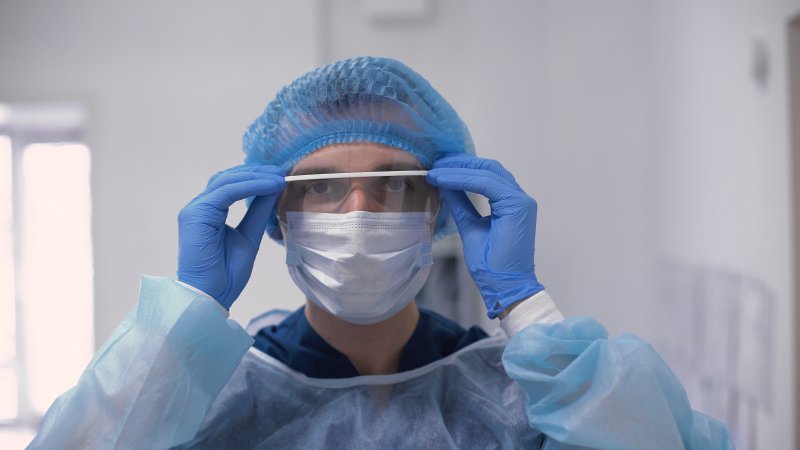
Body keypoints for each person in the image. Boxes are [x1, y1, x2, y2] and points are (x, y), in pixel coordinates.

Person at [28, 56, 732, 449]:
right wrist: (185, 319)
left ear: (439, 210)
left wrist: (527, 307)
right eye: (324, 188)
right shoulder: (210, 403)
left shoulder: (524, 404)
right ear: (276, 215)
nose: (359, 215)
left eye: (394, 186)